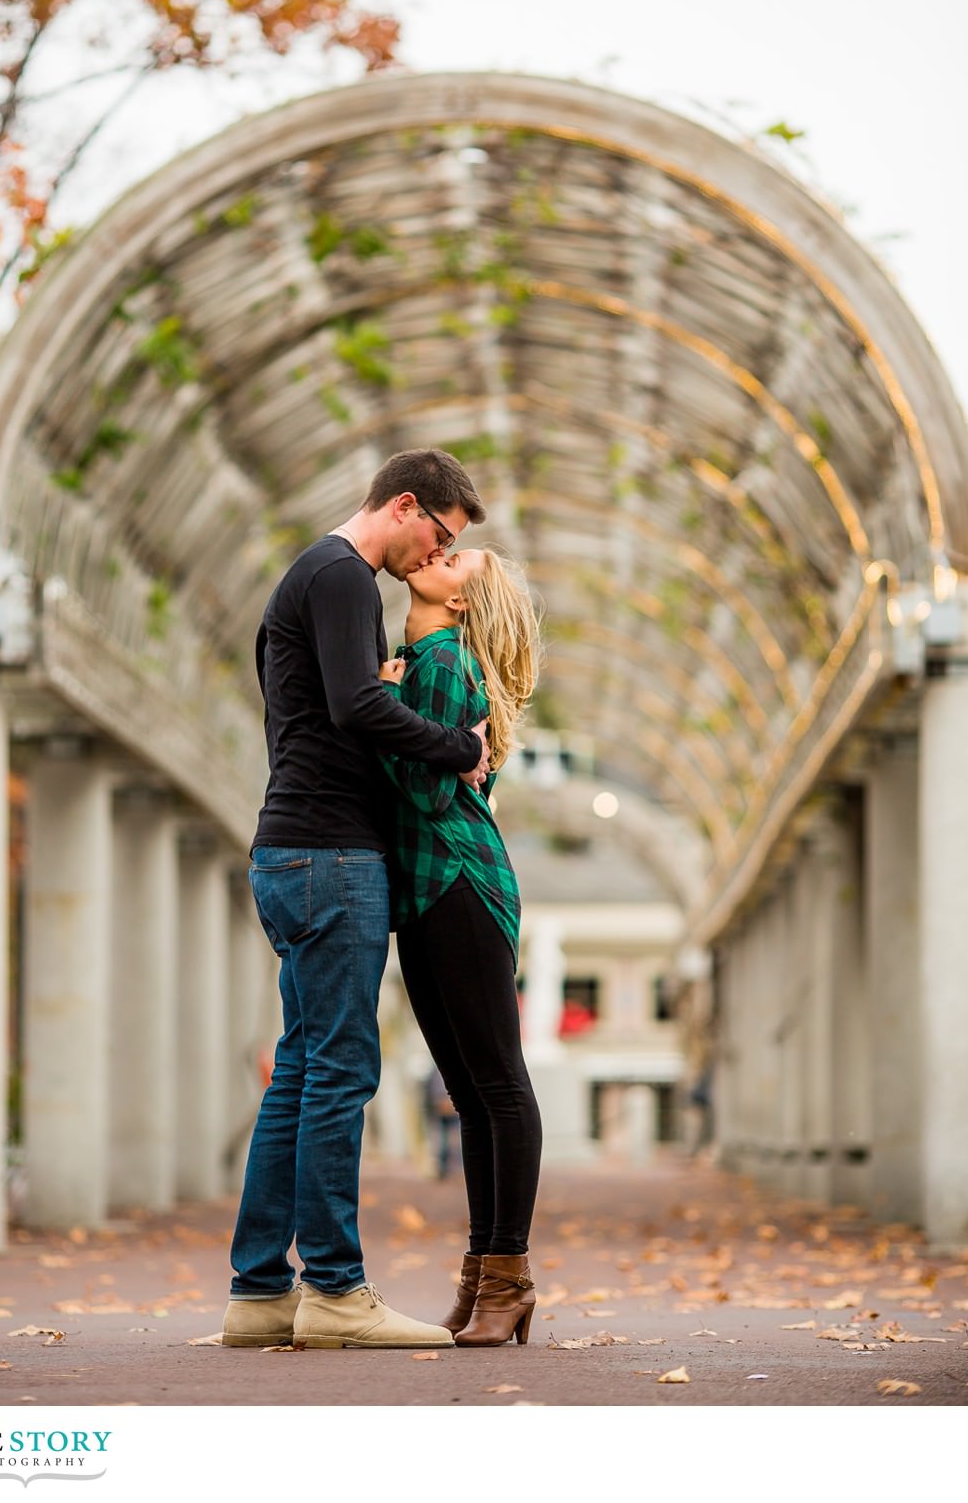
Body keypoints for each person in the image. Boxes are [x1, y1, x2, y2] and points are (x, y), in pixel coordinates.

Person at [222, 449, 491, 1352]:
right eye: (441, 535)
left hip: (293, 850)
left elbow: (332, 704)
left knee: (301, 1072)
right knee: (340, 1073)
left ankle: (259, 1293)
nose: (435, 555)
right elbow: (351, 709)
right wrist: (458, 747)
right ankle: (334, 1292)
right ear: (406, 505)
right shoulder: (344, 577)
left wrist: (385, 694)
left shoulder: (319, 576)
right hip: (331, 854)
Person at [377, 544, 544, 1346]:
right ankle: (483, 1278)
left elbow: (421, 784)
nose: (437, 554)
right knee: (471, 1098)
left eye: (457, 561)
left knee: (498, 1088)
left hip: (456, 886)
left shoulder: (437, 663)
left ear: (462, 605)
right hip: (431, 890)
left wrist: (376, 708)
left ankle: (508, 1279)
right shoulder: (414, 659)